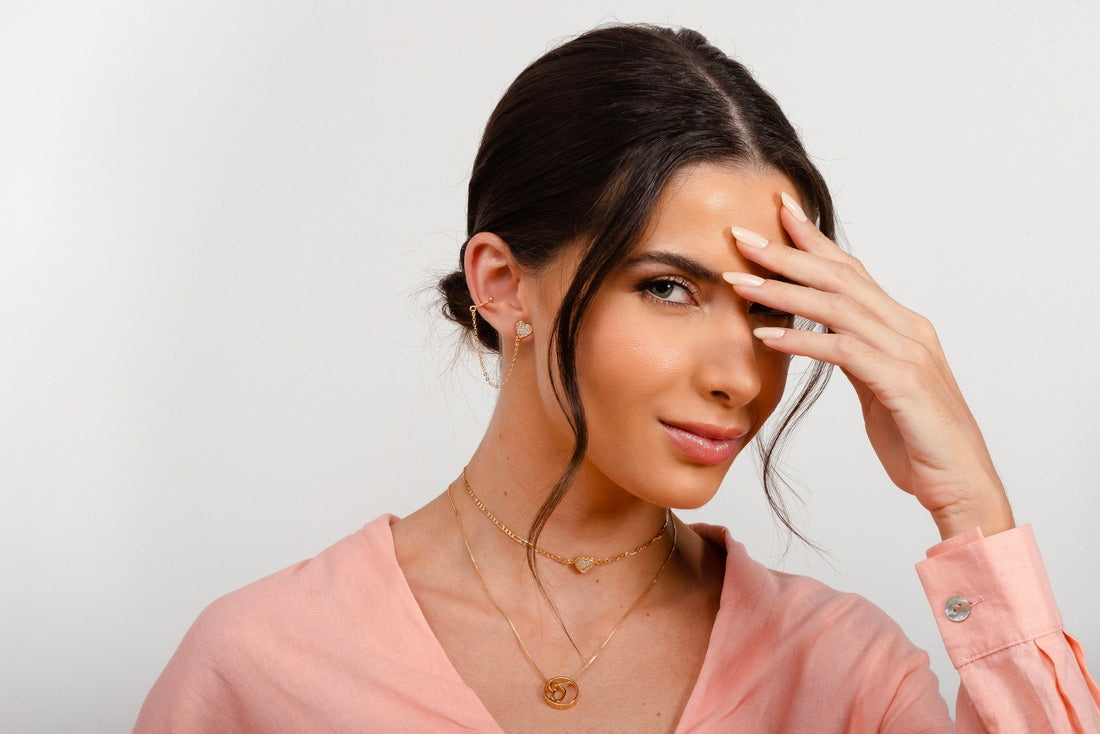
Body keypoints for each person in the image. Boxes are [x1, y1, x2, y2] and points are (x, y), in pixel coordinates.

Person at [134, 23, 1100, 733]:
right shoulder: (264, 666)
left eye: (769, 308)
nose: (740, 374)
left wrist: (971, 507)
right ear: (503, 285)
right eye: (671, 288)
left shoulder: (844, 676)